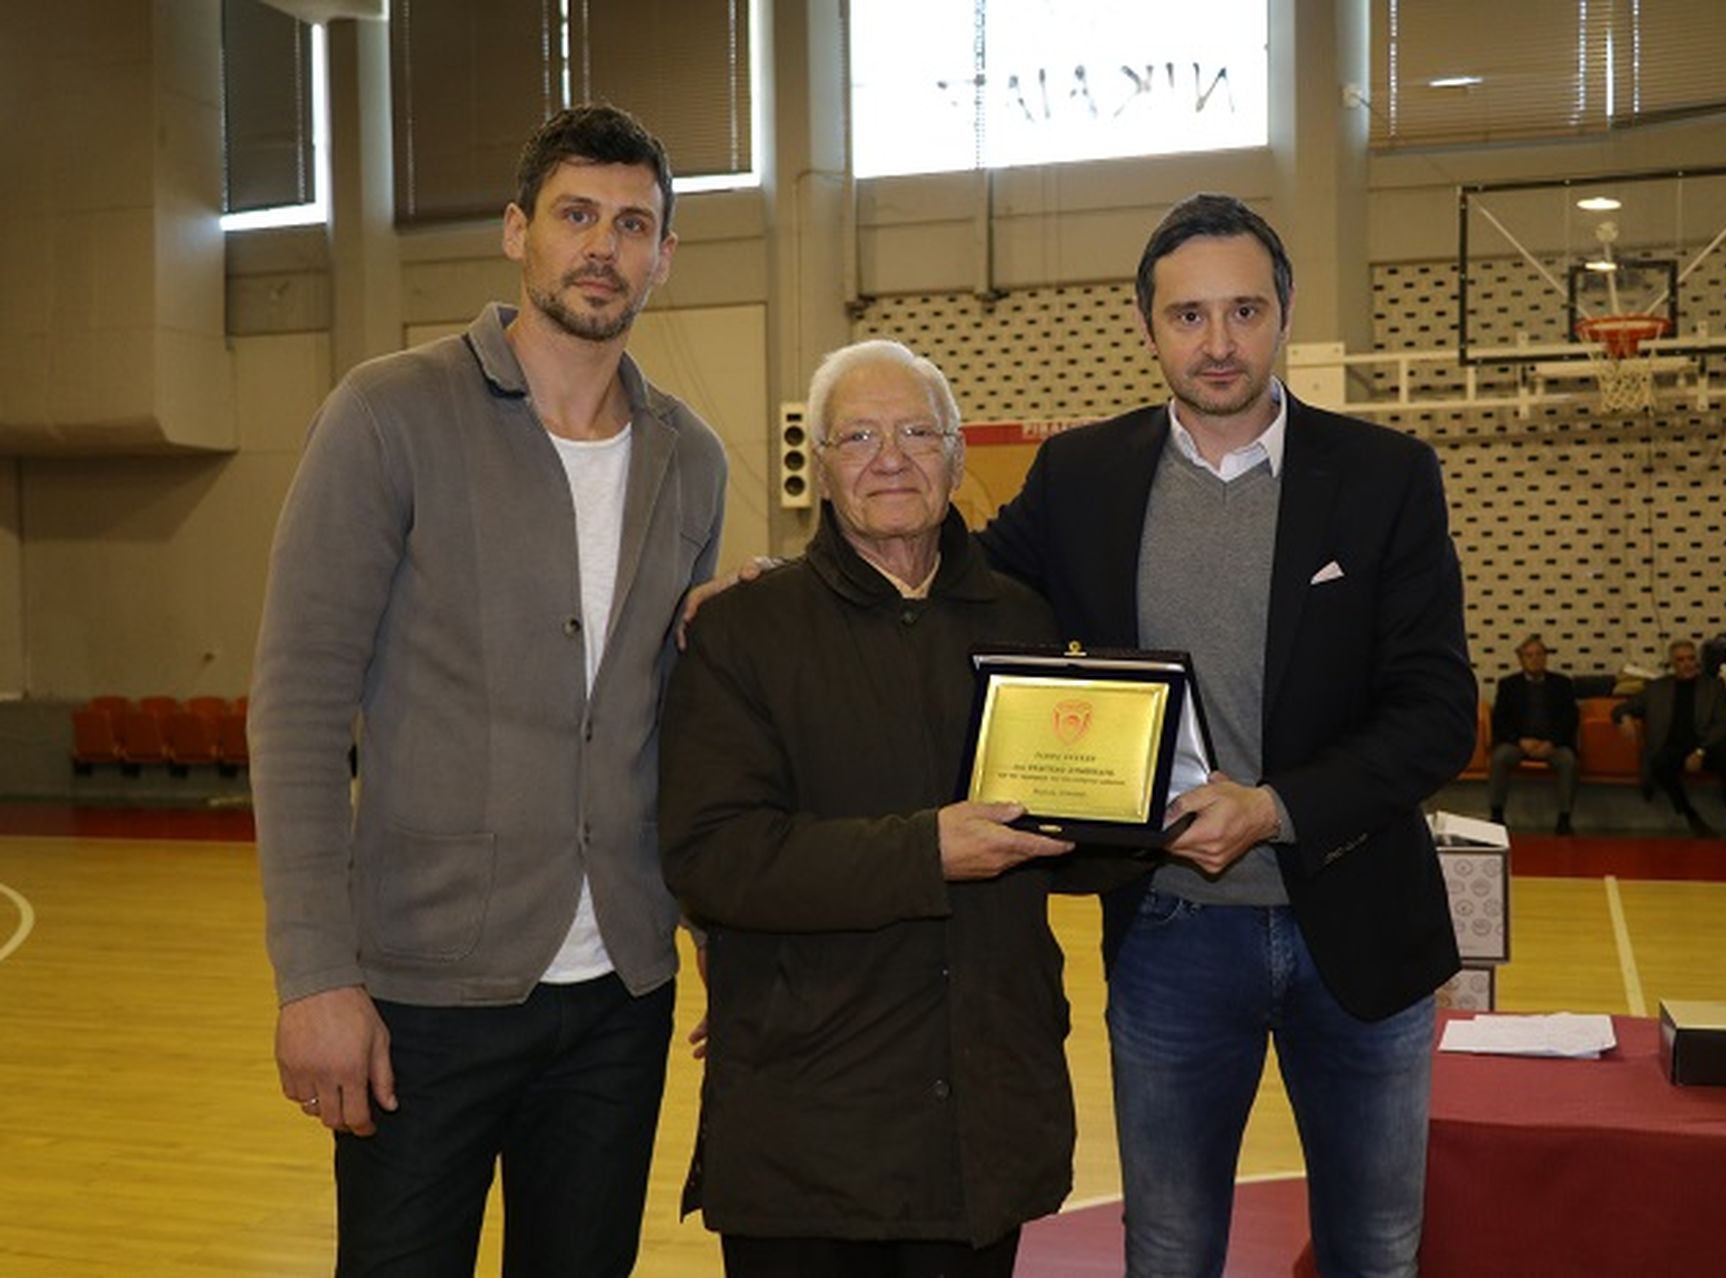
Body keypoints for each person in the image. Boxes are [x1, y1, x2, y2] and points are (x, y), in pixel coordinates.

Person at [249, 104, 727, 1277]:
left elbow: (680, 727)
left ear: (666, 256)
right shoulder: (387, 414)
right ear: (519, 231)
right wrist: (315, 977)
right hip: (423, 995)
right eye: (576, 215)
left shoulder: (692, 457)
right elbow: (298, 708)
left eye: (633, 225)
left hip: (621, 994)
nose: (603, 247)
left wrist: (721, 936)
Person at [975, 194, 1477, 1278]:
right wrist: (783, 585)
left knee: (1376, 1251)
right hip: (1169, 932)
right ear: (1147, 326)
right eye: (1188, 315)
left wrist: (1275, 808)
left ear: (1286, 311)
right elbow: (951, 596)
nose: (1218, 342)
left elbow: (1439, 714)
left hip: (1359, 926)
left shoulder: (1387, 476)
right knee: (1167, 1251)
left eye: (1244, 310)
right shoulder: (1079, 476)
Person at [660, 340, 1119, 1277]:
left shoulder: (1027, 624)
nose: (890, 458)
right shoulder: (743, 630)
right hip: (808, 1130)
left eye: (917, 432)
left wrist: (1149, 812)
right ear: (820, 467)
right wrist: (925, 852)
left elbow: (1065, 836)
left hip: (982, 1121)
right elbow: (713, 858)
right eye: (859, 436)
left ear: (957, 457)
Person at [1611, 638, 1726, 837]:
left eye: (1691, 658)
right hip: (1672, 748)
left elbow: (1722, 725)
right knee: (1659, 763)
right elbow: (1621, 708)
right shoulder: (1657, 689)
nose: (1687, 664)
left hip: (1704, 746)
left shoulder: (1713, 687)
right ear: (1672, 664)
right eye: (1681, 660)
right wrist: (1624, 717)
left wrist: (1700, 751)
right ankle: (1690, 816)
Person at [1487, 635, 1581, 834]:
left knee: (1568, 761)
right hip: (1518, 743)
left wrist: (1552, 742)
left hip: (1553, 745)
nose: (1535, 659)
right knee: (1500, 756)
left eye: (1539, 654)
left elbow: (1570, 719)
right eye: (1529, 655)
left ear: (1546, 657)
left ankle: (1564, 819)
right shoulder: (1508, 685)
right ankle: (1496, 816)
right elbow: (1500, 720)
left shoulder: (1562, 684)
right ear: (1520, 659)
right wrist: (1520, 741)